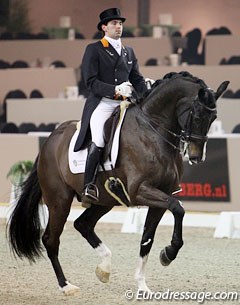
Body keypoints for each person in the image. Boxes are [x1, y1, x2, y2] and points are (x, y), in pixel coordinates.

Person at [74, 7, 149, 203]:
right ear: (104, 27)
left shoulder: (129, 51)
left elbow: (137, 80)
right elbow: (90, 82)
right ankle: (88, 186)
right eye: (114, 23)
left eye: (120, 23)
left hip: (125, 105)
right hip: (103, 104)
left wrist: (149, 90)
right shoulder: (94, 49)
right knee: (99, 138)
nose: (118, 26)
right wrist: (115, 90)